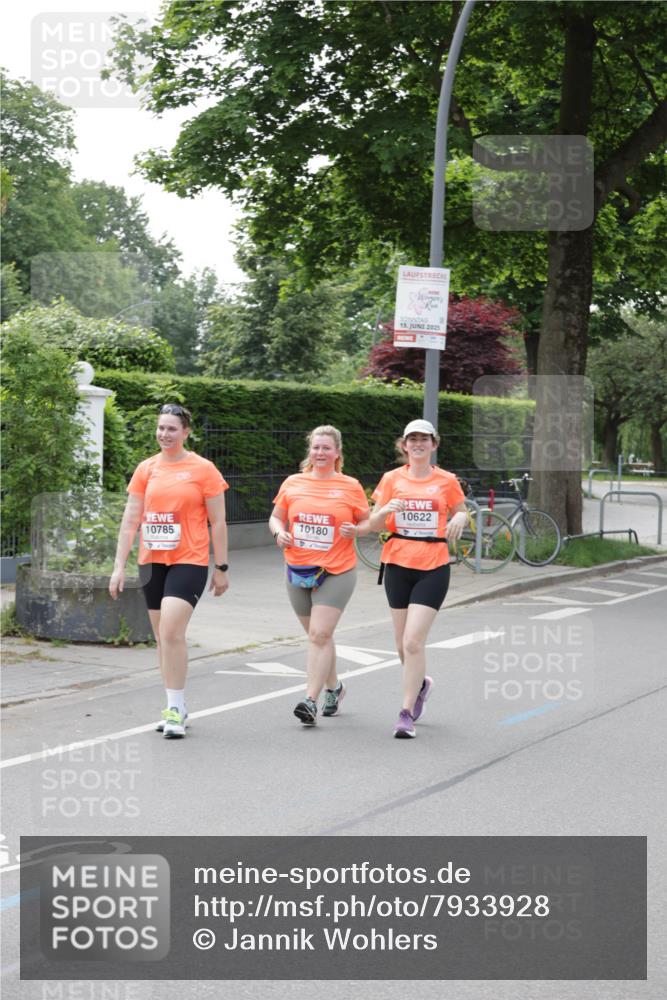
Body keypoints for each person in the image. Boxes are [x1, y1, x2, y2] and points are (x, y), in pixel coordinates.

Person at [109, 403, 229, 738]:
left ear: (185, 432)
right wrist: (119, 566)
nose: (165, 434)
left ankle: (175, 710)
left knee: (172, 631)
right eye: (161, 428)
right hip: (151, 561)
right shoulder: (146, 469)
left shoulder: (203, 469)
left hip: (189, 559)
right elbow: (130, 520)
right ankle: (175, 704)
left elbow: (219, 522)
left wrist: (221, 566)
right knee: (162, 637)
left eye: (172, 429)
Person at [369, 419, 468, 739]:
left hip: (433, 565)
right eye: (412, 439)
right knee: (402, 645)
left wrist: (461, 517)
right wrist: (385, 510)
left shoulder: (446, 480)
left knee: (413, 641)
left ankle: (405, 713)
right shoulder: (391, 479)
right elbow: (373, 523)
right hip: (397, 563)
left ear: (434, 444)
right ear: (404, 445)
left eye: (424, 439)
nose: (418, 444)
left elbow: (461, 509)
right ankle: (421, 684)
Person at [269, 425, 371, 726]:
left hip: (336, 570)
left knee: (319, 635)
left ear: (337, 452)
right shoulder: (293, 482)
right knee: (318, 637)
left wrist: (356, 530)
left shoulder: (350, 486)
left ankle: (309, 701)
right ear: (309, 450)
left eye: (326, 448)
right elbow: (275, 517)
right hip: (297, 569)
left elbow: (368, 522)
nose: (320, 453)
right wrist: (279, 532)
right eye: (316, 447)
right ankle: (334, 687)